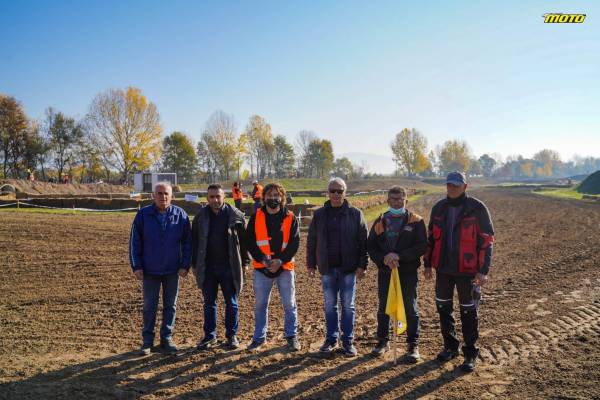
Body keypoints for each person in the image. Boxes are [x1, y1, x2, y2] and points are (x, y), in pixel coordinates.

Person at [424, 171, 495, 372]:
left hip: (468, 271)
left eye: (456, 184)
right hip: (443, 269)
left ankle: (470, 353)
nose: (452, 188)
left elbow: (487, 240)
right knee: (443, 308)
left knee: (468, 311)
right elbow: (431, 238)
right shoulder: (439, 208)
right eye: (449, 184)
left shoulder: (477, 208)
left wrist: (483, 270)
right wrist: (427, 264)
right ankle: (450, 347)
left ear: (465, 186)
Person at [307, 177, 368, 357]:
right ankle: (331, 339)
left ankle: (348, 341)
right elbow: (312, 241)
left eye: (339, 191)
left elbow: (363, 242)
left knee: (348, 306)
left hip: (349, 269)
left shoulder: (356, 214)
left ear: (345, 193)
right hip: (327, 268)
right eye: (332, 191)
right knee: (330, 306)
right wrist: (311, 264)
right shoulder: (319, 215)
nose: (335, 194)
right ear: (328, 193)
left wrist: (363, 265)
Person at [129, 182, 192, 355]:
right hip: (150, 270)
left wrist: (185, 264)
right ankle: (147, 341)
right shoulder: (143, 215)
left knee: (170, 306)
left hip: (173, 270)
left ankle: (167, 338)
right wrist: (136, 266)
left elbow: (188, 243)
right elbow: (135, 242)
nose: (163, 197)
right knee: (149, 306)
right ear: (153, 195)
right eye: (159, 193)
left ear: (172, 196)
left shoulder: (181, 215)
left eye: (166, 194)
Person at [367, 186, 427, 362]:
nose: (397, 202)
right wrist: (384, 258)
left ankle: (413, 345)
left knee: (410, 307)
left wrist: (400, 256)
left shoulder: (416, 221)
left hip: (407, 272)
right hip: (386, 272)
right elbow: (371, 246)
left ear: (405, 200)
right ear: (388, 201)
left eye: (400, 199)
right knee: (384, 307)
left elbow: (422, 245)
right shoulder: (380, 221)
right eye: (393, 199)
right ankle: (382, 341)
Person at [192, 184, 249, 350]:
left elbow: (245, 242)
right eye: (212, 197)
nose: (215, 200)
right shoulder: (200, 217)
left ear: (224, 197)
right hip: (208, 267)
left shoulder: (236, 216)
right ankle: (210, 336)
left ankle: (231, 335)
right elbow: (194, 241)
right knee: (209, 303)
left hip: (229, 266)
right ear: (207, 198)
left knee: (232, 303)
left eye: (218, 196)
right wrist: (194, 263)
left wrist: (245, 262)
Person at [246, 182, 301, 352]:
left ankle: (291, 336)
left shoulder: (290, 217)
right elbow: (250, 242)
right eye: (269, 195)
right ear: (264, 197)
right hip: (262, 268)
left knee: (289, 304)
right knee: (260, 305)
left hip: (284, 268)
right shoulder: (256, 217)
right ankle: (259, 338)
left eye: (276, 195)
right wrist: (263, 260)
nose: (273, 198)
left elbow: (294, 243)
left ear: (282, 197)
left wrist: (280, 261)